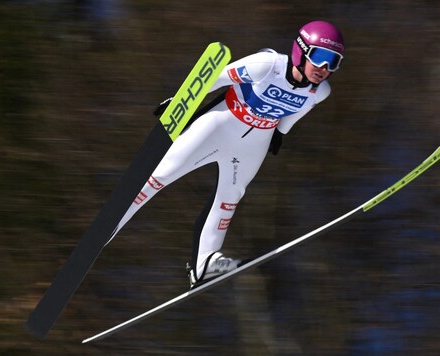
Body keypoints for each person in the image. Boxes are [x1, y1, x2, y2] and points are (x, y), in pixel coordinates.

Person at [109, 20, 345, 288]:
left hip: (254, 143)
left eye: (333, 62)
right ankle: (111, 223)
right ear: (300, 51)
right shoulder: (267, 65)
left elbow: (296, 113)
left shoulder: (320, 92)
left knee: (230, 197)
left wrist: (281, 133)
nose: (324, 68)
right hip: (220, 124)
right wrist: (180, 100)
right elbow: (217, 77)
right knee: (162, 174)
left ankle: (205, 263)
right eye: (320, 57)